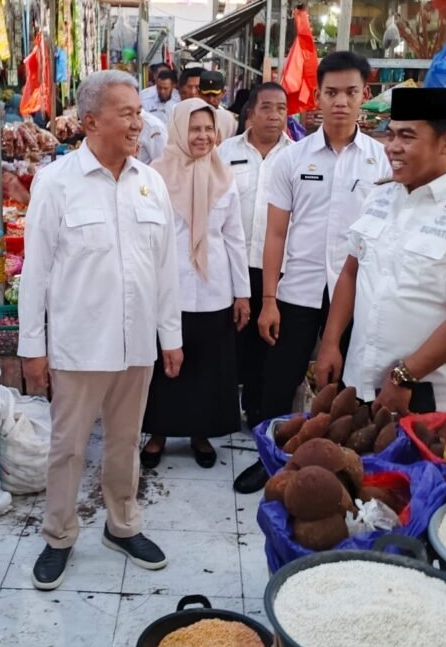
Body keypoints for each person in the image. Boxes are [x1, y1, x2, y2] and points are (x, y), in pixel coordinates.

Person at [18, 71, 183, 590]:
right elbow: (36, 273)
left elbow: (166, 269)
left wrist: (170, 336)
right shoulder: (57, 183)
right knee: (67, 446)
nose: (139, 122)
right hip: (78, 344)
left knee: (125, 441)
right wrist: (32, 349)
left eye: (139, 111)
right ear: (91, 121)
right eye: (127, 113)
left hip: (137, 346)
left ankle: (122, 524)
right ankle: (59, 534)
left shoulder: (150, 183)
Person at [235, 51, 389, 494]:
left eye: (351, 92)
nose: (340, 102)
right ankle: (270, 461)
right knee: (276, 381)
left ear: (365, 96)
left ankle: (338, 466)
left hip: (358, 293)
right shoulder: (293, 158)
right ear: (317, 96)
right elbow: (276, 235)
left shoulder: (380, 162)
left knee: (348, 384)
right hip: (297, 290)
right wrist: (268, 300)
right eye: (331, 92)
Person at [315, 87, 446, 414]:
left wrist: (405, 376)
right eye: (390, 135)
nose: (392, 148)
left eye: (406, 136)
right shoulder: (380, 196)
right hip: (359, 383)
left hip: (420, 397)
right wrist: (331, 343)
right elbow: (351, 272)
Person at [140, 99, 251, 468]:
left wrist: (242, 293)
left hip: (215, 287)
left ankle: (200, 433)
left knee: (207, 366)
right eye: (195, 128)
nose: (203, 136)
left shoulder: (224, 175)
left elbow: (235, 237)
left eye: (209, 128)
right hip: (167, 288)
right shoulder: (154, 176)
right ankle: (157, 432)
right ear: (178, 130)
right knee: (163, 365)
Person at [219, 82, 291, 430]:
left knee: (267, 339)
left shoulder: (296, 156)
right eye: (267, 107)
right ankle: (224, 408)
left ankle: (257, 408)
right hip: (231, 262)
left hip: (275, 265)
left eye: (281, 108)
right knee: (231, 337)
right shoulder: (224, 152)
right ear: (251, 112)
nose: (274, 115)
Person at [200, 70, 238, 143]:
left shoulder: (230, 120)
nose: (211, 100)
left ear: (223, 92)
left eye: (215, 95)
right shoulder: (190, 116)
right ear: (199, 93)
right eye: (206, 95)